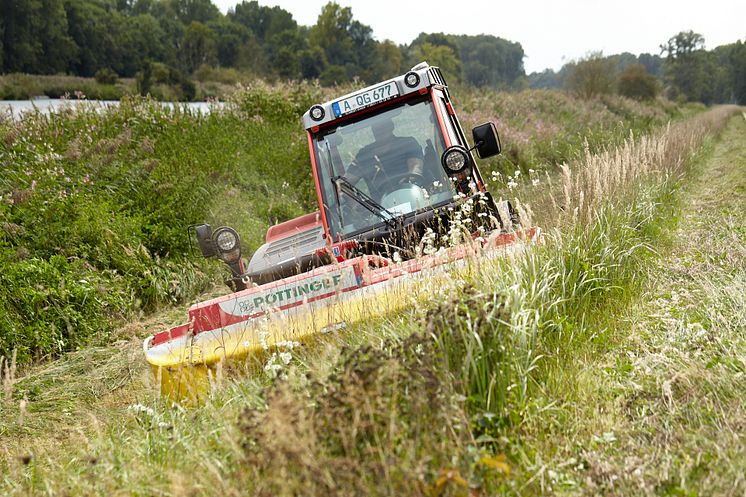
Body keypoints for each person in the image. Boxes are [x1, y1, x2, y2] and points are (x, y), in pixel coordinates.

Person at [344, 118, 424, 198]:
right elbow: (345, 183)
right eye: (376, 128)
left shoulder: (407, 143)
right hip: (377, 208)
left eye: (383, 127)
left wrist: (409, 180)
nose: (379, 131)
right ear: (373, 130)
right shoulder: (364, 154)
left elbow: (416, 167)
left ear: (391, 126)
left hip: (410, 196)